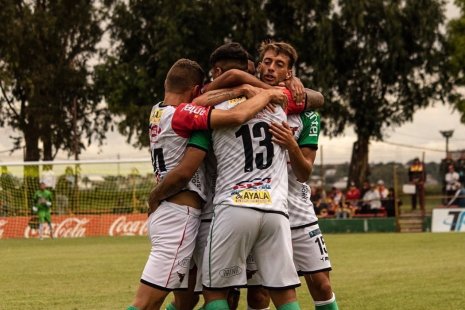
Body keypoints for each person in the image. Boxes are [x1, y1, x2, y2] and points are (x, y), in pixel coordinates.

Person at [128, 57, 288, 310]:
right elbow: (237, 115)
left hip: (177, 214)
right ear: (194, 91)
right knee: (147, 303)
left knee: (179, 299)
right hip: (179, 215)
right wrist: (264, 93)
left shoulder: (157, 110)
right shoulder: (183, 114)